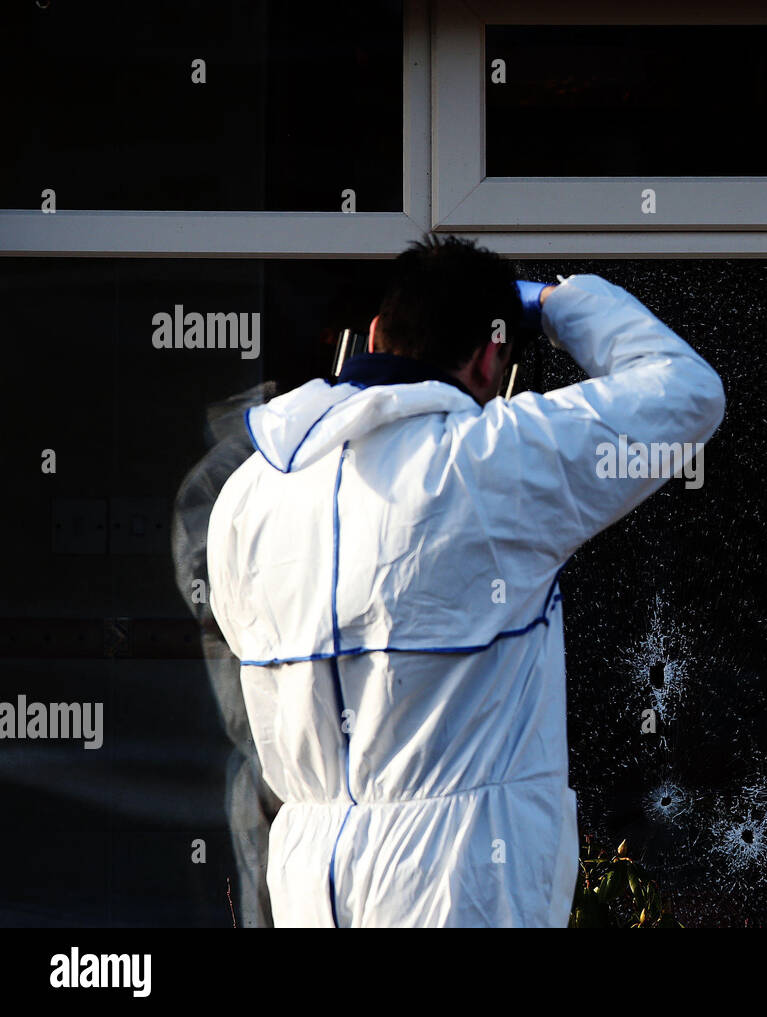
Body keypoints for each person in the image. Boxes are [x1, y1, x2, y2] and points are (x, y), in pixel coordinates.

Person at [206, 234, 726, 927]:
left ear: (373, 333)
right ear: (489, 358)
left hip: (308, 878)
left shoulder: (249, 491)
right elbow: (685, 390)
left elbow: (249, 647)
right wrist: (553, 302)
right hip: (458, 881)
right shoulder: (493, 461)